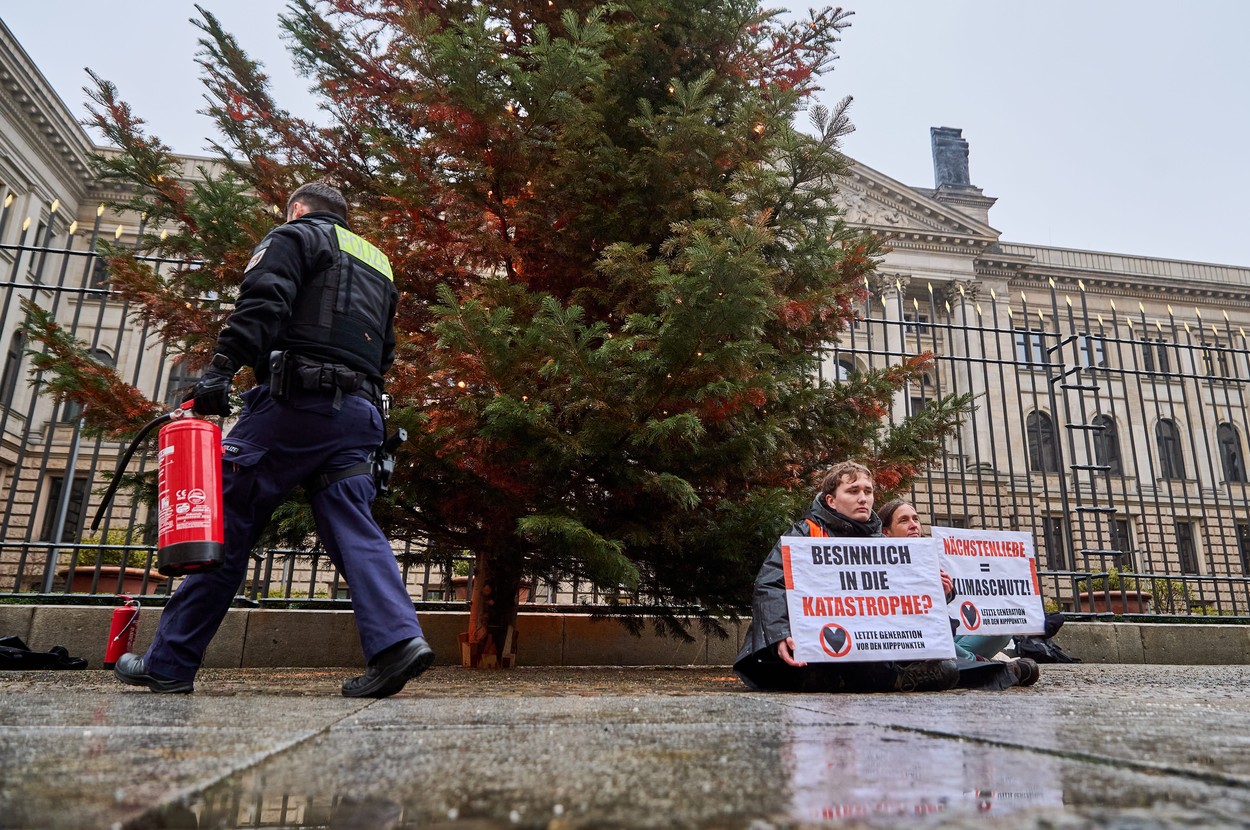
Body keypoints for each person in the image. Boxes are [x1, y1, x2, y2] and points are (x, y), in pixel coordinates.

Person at [114, 182, 433, 698]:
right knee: (357, 530)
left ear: (299, 210)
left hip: (292, 405)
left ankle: (169, 663)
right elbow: (386, 350)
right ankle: (399, 644)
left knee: (228, 522)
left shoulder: (295, 235)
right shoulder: (377, 262)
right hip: (360, 415)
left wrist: (219, 371)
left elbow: (263, 301)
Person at [733, 462, 963, 693]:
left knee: (948, 670)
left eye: (868, 491)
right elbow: (770, 583)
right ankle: (885, 679)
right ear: (831, 500)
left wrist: (941, 592)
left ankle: (871, 678)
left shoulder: (886, 545)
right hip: (813, 643)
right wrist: (780, 635)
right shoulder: (806, 532)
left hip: (870, 646)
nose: (863, 498)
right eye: (853, 491)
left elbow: (908, 601)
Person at [878, 499, 1012, 662]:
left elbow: (942, 615)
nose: (913, 525)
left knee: (1002, 629)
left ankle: (966, 663)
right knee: (929, 638)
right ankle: (977, 665)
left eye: (915, 518)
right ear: (887, 532)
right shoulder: (879, 565)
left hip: (944, 637)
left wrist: (946, 593)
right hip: (912, 639)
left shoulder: (930, 556)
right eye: (904, 520)